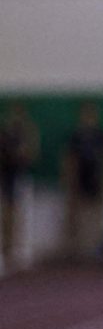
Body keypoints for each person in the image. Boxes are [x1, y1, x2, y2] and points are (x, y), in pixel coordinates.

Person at [63, 100, 103, 261]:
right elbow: (69, 161)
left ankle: (95, 248)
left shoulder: (101, 136)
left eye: (91, 114)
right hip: (79, 182)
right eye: (85, 114)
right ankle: (77, 251)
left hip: (97, 182)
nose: (88, 118)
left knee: (96, 217)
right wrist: (70, 182)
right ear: (81, 116)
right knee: (77, 217)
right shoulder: (75, 137)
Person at [0, 101, 40, 271]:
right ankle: (6, 251)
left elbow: (30, 154)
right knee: (6, 215)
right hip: (6, 177)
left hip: (20, 177)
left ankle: (18, 251)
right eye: (13, 113)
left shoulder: (28, 132)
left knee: (20, 215)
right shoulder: (4, 134)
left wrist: (22, 151)